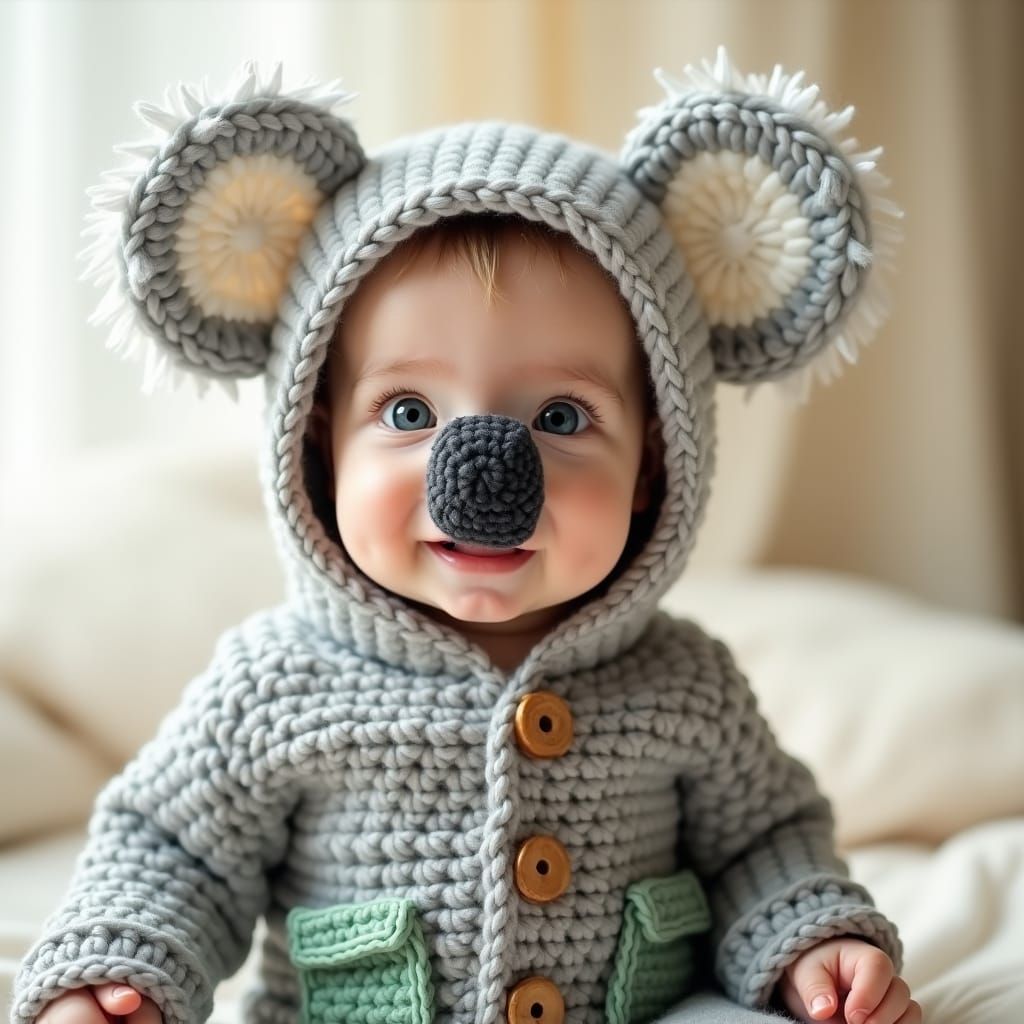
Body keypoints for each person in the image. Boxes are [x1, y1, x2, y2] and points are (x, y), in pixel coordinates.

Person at [12, 54, 918, 1024]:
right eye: (407, 408)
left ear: (656, 464)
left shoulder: (684, 686)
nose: (484, 471)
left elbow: (763, 840)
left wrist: (811, 937)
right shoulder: (276, 687)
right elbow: (171, 850)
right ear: (318, 448)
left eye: (562, 418)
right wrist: (121, 977)